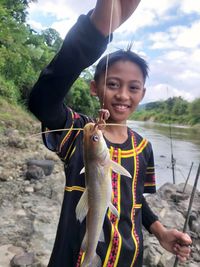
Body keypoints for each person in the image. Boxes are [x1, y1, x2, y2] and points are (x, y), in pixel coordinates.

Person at [28, 0, 192, 266]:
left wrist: (160, 231)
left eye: (133, 88)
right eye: (113, 84)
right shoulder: (80, 133)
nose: (123, 95)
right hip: (75, 256)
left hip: (129, 256)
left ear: (143, 94)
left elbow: (135, 198)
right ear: (94, 87)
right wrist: (93, 34)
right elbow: (42, 101)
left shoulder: (143, 147)